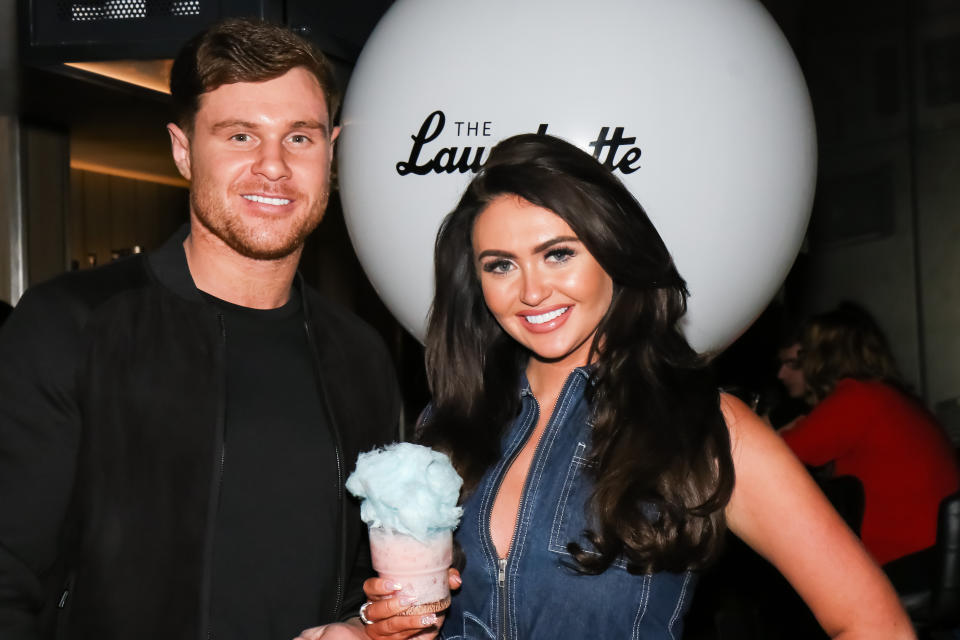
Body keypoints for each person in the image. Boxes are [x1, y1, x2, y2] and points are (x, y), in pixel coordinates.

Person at [355, 134, 914, 639]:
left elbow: (873, 623)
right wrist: (380, 629)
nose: (531, 291)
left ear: (612, 251)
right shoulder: (450, 424)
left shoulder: (703, 427)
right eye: (500, 266)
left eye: (558, 253)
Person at [0, 18, 402, 640]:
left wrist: (358, 625)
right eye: (240, 135)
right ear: (183, 149)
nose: (273, 167)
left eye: (300, 137)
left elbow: (359, 572)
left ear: (332, 150)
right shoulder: (71, 327)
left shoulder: (360, 354)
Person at [781, 302, 960, 567]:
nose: (795, 367)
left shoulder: (857, 398)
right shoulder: (888, 395)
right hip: (933, 557)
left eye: (803, 356)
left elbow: (777, 458)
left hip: (907, 561)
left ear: (824, 357)